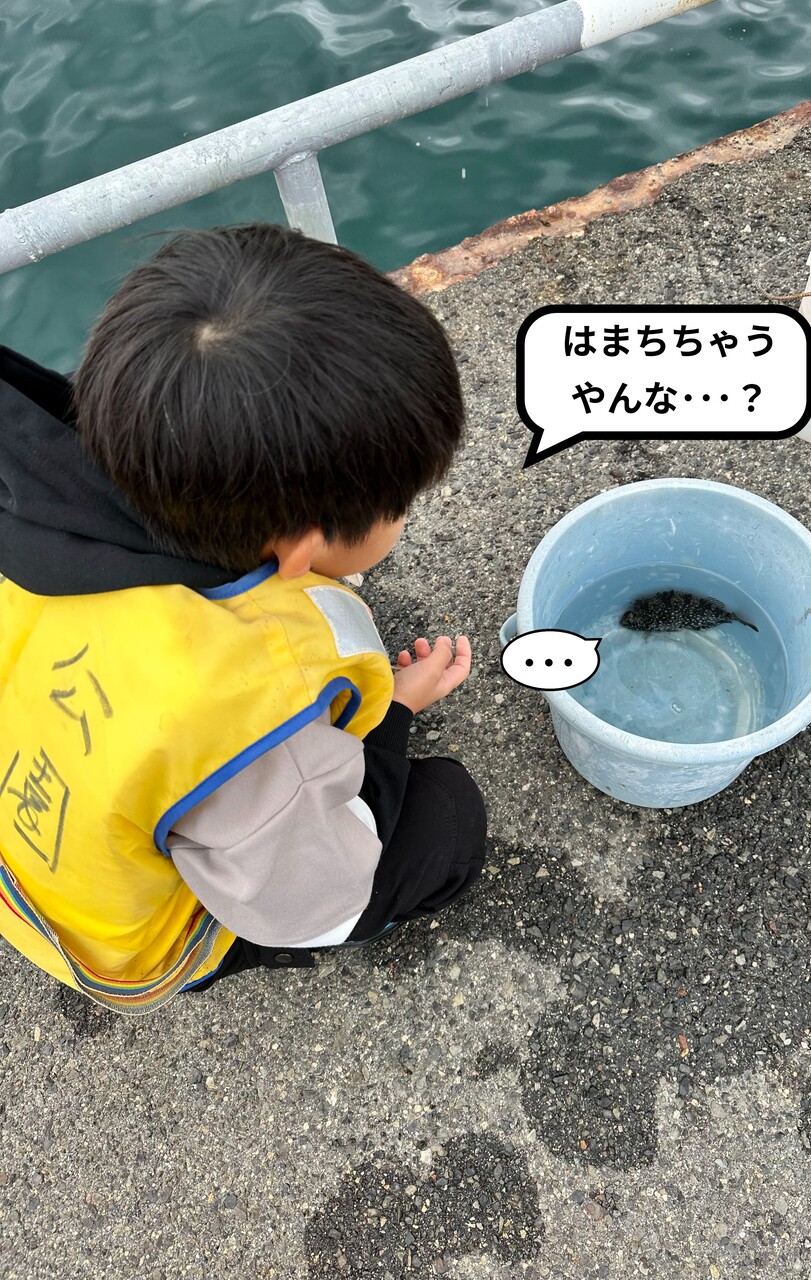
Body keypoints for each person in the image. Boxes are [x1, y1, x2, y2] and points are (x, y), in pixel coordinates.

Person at [0, 223, 487, 1013]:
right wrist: (392, 717)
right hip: (123, 939)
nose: (405, 511)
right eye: (401, 501)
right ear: (300, 549)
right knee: (449, 819)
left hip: (32, 833)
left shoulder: (31, 476)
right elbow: (312, 902)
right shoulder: (243, 713)